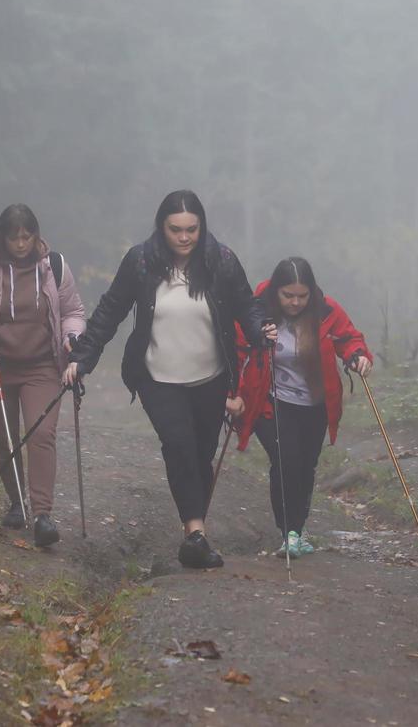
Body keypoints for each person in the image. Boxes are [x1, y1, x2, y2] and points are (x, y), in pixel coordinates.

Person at [63, 190, 273, 569]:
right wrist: (83, 357)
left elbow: (246, 306)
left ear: (201, 227)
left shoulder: (221, 261)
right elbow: (111, 309)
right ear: (162, 228)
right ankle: (195, 532)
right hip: (157, 377)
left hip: (211, 376)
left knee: (200, 454)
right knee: (178, 445)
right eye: (176, 229)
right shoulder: (142, 261)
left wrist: (261, 331)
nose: (184, 237)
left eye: (191, 229)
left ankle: (195, 534)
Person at [0, 204, 86, 547]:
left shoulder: (54, 267)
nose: (20, 244)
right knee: (4, 436)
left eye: (27, 236)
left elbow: (72, 310)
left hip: (42, 365)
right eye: (14, 238)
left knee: (41, 432)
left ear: (36, 236)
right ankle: (17, 503)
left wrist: (72, 338)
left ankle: (43, 514)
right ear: (2, 237)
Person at [232, 257, 372, 558]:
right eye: (288, 296)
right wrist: (233, 393)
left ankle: (298, 529)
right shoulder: (257, 309)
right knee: (285, 460)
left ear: (312, 293)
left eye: (302, 296)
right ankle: (289, 533)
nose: (295, 302)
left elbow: (349, 338)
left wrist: (357, 356)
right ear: (276, 292)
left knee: (305, 467)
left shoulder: (326, 310)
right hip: (270, 401)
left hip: (314, 406)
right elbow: (236, 348)